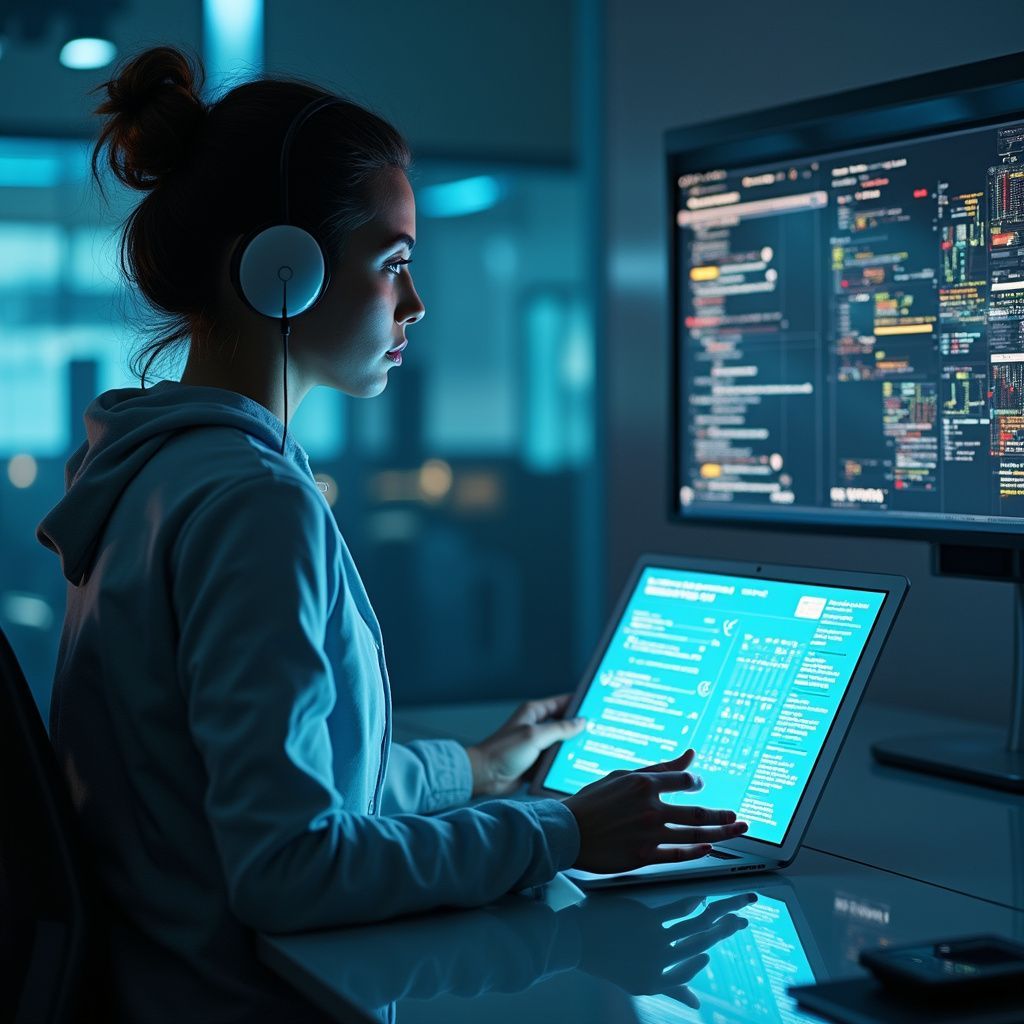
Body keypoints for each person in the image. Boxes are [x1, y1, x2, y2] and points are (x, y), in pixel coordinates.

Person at [36, 45, 749, 1023]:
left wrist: (478, 766)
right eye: (394, 262)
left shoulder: (154, 473)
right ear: (281, 269)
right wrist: (562, 828)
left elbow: (296, 788)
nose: (414, 304)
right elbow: (290, 865)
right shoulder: (250, 503)